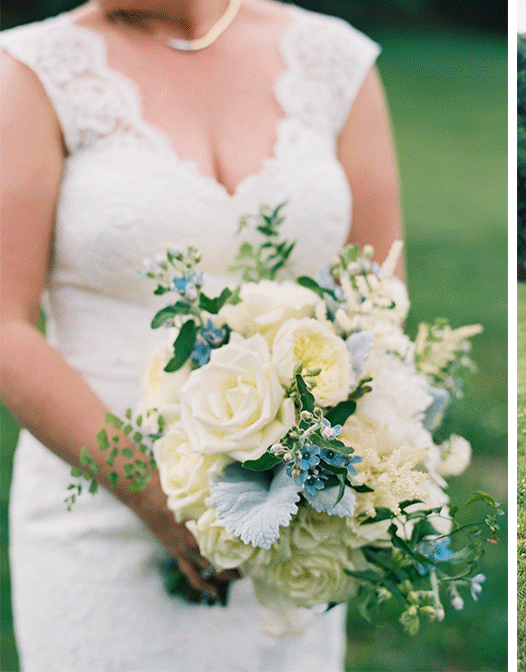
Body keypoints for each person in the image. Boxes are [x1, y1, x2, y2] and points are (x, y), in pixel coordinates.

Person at [0, 0, 402, 668]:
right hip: (99, 517)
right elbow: (5, 324)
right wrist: (157, 499)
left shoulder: (335, 62)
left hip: (290, 511)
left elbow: (377, 294)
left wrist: (304, 468)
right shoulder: (32, 70)